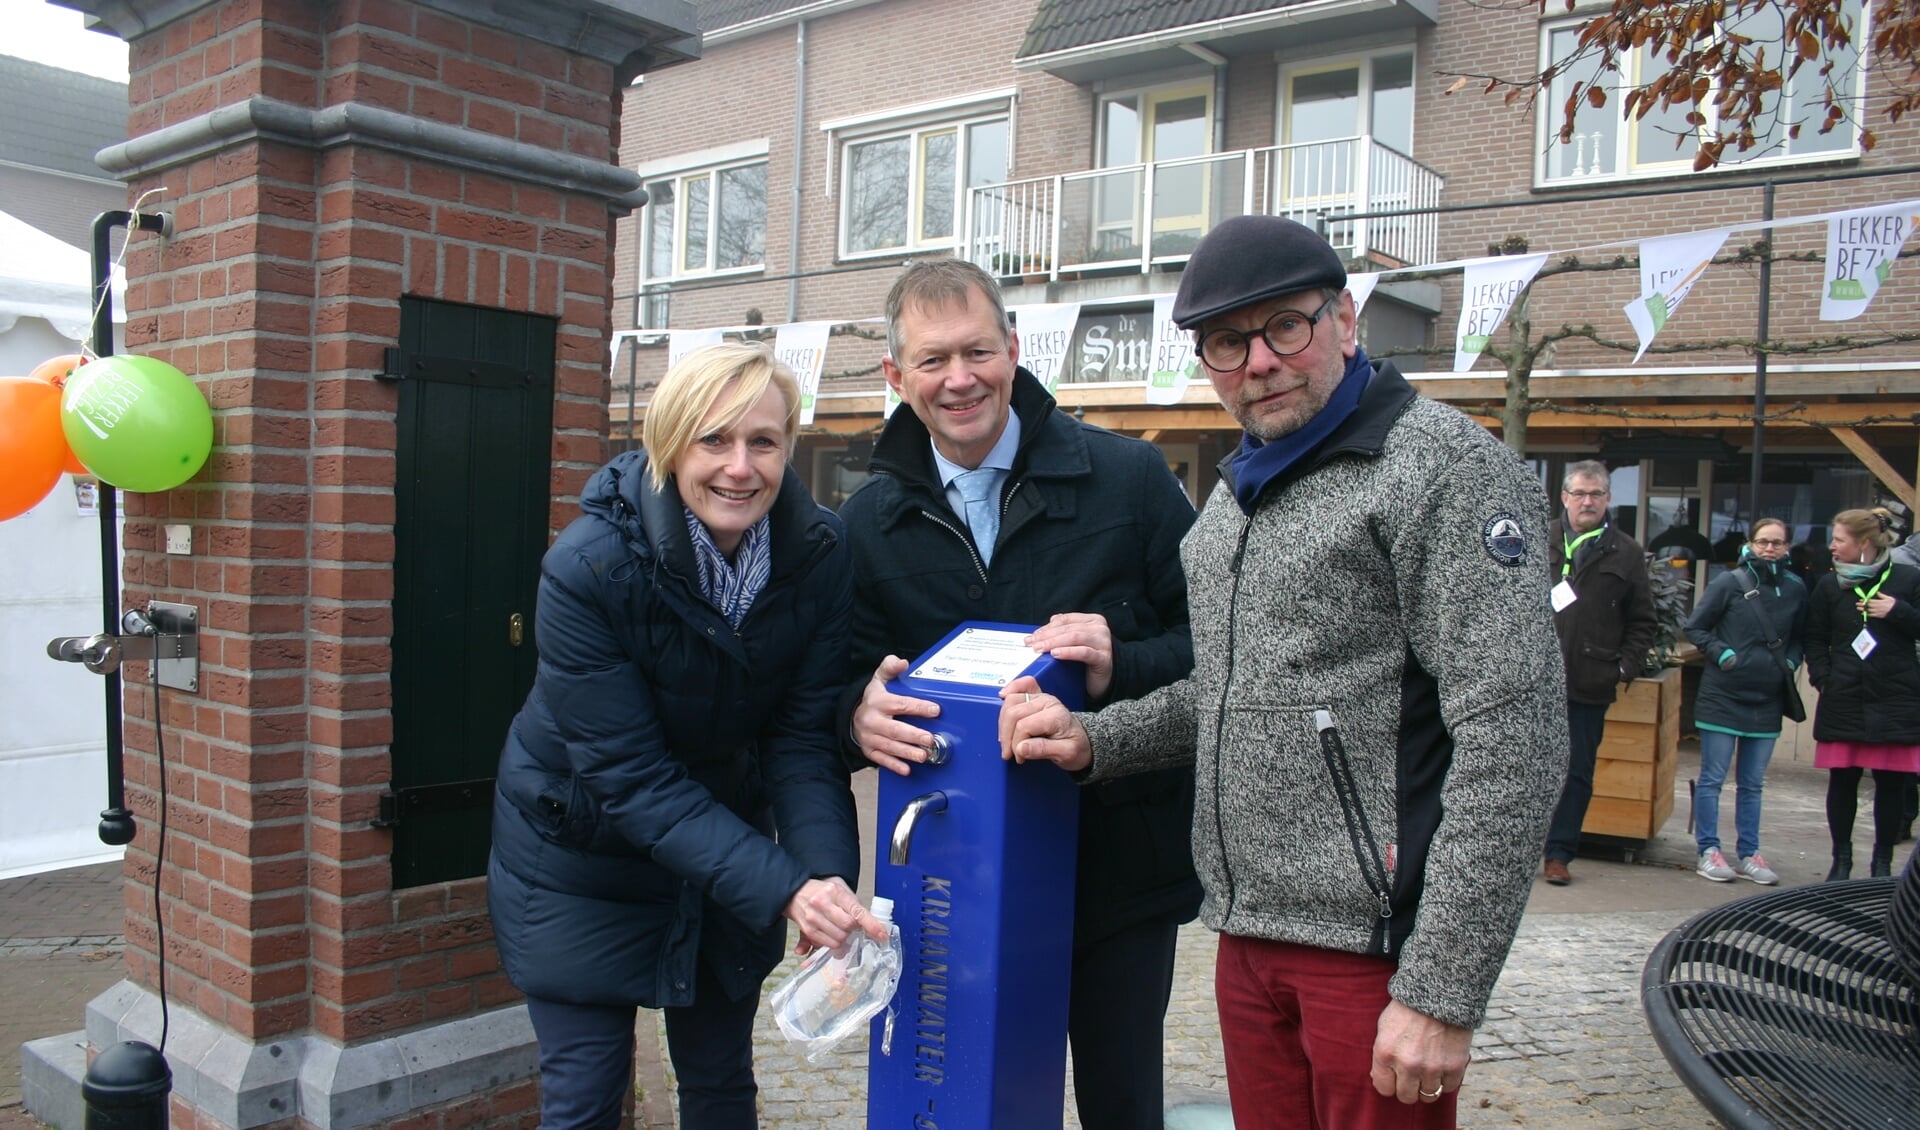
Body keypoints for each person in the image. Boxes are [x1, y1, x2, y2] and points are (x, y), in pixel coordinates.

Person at [999, 214, 1568, 1129]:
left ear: (1345, 317)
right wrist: (1092, 741)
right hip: (1249, 934)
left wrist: (1442, 990)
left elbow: (1517, 736)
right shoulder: (1237, 495)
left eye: (1284, 327)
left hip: (1375, 952)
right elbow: (1230, 695)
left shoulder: (1442, 470)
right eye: (1228, 341)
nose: (1258, 360)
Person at [839, 257, 1200, 1130]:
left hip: (1116, 872)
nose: (958, 380)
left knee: (1121, 1106)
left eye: (976, 352)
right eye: (931, 361)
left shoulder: (1131, 481)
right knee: (972, 1104)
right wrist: (852, 711)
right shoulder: (866, 523)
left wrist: (1124, 662)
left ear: (1013, 347)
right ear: (896, 376)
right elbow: (831, 678)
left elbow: (1223, 653)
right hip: (955, 883)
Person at [487, 344, 884, 1130]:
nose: (740, 467)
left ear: (789, 446)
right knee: (588, 1101)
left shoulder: (821, 555)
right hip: (580, 859)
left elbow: (800, 741)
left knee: (722, 1088)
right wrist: (784, 887)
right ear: (670, 442)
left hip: (725, 859)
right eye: (714, 440)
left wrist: (825, 882)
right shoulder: (587, 567)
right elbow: (630, 778)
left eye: (763, 442)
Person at [1543, 461, 1657, 886]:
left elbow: (1643, 620)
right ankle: (1519, 850)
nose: (1587, 501)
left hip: (1590, 681)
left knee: (1576, 772)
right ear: (1565, 497)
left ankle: (1559, 854)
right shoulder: (1538, 541)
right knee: (1521, 768)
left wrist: (1623, 667)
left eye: (1596, 494)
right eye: (1579, 493)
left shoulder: (1625, 551)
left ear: (1609, 498)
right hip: (1533, 679)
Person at [1683, 517, 1808, 885]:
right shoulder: (1729, 582)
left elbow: (1801, 636)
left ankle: (1750, 852)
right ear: (1750, 544)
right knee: (1713, 779)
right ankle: (1709, 850)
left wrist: (1790, 661)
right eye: (1763, 542)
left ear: (1787, 547)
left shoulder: (1797, 588)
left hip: (1767, 698)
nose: (1770, 548)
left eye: (1777, 543)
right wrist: (1722, 654)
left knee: (1753, 783)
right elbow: (1696, 627)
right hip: (1723, 695)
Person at [1805, 507, 1920, 880]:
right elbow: (1815, 638)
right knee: (1842, 782)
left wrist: (1898, 611)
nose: (1832, 547)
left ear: (1864, 544)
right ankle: (1841, 862)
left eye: (1839, 540)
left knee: (1891, 784)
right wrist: (1824, 678)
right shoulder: (1828, 585)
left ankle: (1882, 863)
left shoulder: (1907, 579)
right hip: (1845, 696)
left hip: (1896, 698)